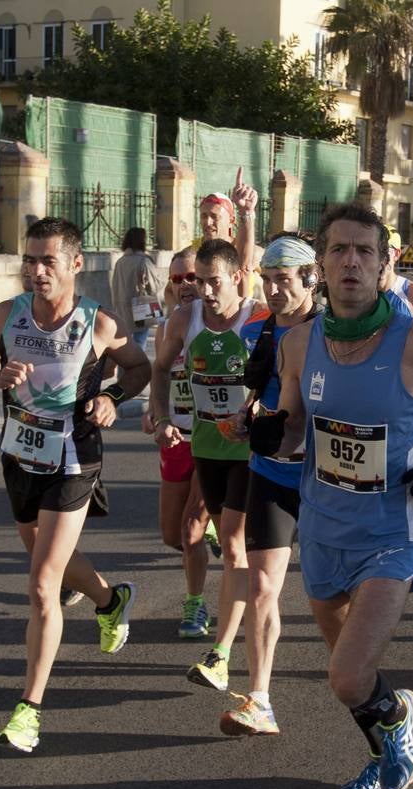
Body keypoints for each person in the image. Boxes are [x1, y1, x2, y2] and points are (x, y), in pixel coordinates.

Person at [249, 203, 413, 789]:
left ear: (383, 268)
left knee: (348, 676)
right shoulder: (299, 343)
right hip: (322, 524)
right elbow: (299, 428)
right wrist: (273, 435)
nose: (351, 260)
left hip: (392, 529)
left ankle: (398, 714)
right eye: (338, 250)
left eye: (365, 251)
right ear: (322, 265)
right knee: (351, 679)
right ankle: (381, 750)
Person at [0, 217, 150, 753]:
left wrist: (114, 397)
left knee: (43, 583)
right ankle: (111, 601)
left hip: (73, 457)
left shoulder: (99, 323)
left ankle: (29, 710)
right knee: (51, 561)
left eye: (47, 261)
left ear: (74, 265)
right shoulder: (5, 316)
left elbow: (139, 369)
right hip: (19, 454)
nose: (35, 271)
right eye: (29, 260)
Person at [215, 235, 321, 736]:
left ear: (310, 280)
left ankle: (368, 691)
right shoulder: (262, 330)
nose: (275, 289)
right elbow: (261, 394)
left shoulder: (330, 333)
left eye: (285, 280)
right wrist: (245, 418)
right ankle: (259, 698)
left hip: (327, 480)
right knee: (262, 586)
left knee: (333, 597)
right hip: (271, 471)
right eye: (269, 279)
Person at [149, 239, 266, 690]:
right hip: (207, 450)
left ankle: (220, 653)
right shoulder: (185, 318)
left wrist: (255, 414)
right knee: (219, 544)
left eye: (213, 281)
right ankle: (243, 612)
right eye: (199, 280)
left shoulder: (257, 319)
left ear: (237, 276)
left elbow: (281, 376)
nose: (205, 290)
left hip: (248, 453)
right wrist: (161, 417)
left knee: (234, 547)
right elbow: (160, 369)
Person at [140, 248, 216, 638]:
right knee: (172, 535)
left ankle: (195, 605)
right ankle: (210, 532)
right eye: (177, 279)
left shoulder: (221, 321)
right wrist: (156, 412)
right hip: (175, 438)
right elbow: (160, 375)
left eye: (192, 277)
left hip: (213, 441)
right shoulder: (168, 326)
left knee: (190, 532)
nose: (186, 285)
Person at [110, 226, 163, 357]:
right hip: (141, 309)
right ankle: (138, 372)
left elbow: (115, 286)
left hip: (122, 309)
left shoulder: (120, 262)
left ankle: (124, 373)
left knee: (123, 344)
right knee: (140, 342)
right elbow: (154, 286)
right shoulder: (144, 260)